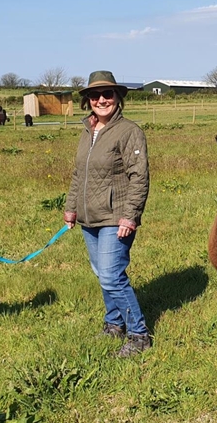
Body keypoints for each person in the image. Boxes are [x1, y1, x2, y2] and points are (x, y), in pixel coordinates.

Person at [64, 71, 152, 357]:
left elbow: (139, 176)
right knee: (102, 273)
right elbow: (79, 173)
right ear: (87, 101)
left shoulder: (129, 131)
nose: (101, 100)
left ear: (118, 97)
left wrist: (131, 215)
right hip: (90, 218)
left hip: (115, 216)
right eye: (95, 95)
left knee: (112, 276)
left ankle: (138, 334)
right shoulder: (87, 132)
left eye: (107, 94)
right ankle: (114, 324)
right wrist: (71, 207)